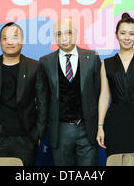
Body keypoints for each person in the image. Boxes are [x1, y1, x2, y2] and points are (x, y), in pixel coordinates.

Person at [0, 22, 48, 166]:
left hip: (26, 139)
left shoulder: (35, 67)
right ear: (0, 41)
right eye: (5, 38)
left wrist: (37, 134)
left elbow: (43, 102)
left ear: (22, 41)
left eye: (14, 37)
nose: (9, 42)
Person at [39, 19, 101, 166]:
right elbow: (43, 99)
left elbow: (100, 94)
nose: (64, 38)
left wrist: (99, 126)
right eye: (59, 34)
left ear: (76, 34)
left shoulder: (92, 58)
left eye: (68, 32)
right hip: (60, 130)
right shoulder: (45, 62)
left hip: (87, 128)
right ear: (54, 37)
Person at [96, 12, 134, 156]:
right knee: (116, 161)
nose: (127, 38)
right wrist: (100, 126)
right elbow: (104, 95)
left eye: (131, 33)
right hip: (115, 122)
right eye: (123, 33)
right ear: (116, 34)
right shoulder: (107, 63)